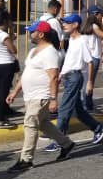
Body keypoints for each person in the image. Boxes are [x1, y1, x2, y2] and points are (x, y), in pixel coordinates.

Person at [5, 21, 76, 171]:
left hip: (41, 95)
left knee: (30, 125)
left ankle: (26, 159)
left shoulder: (50, 52)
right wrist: (15, 91)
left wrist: (53, 99)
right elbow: (26, 73)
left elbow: (53, 77)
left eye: (32, 31)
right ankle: (66, 144)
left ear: (41, 34)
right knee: (43, 124)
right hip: (30, 96)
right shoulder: (33, 51)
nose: (29, 33)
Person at [45, 13, 103, 150]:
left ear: (75, 25)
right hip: (69, 77)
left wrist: (90, 82)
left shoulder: (81, 41)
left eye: (67, 23)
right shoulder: (72, 40)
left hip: (75, 77)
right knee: (77, 110)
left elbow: (90, 62)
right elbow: (69, 61)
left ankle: (59, 140)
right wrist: (62, 74)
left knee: (64, 109)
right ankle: (98, 128)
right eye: (63, 22)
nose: (64, 25)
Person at [82, 4, 103, 110]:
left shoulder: (87, 26)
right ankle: (87, 105)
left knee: (88, 82)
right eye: (100, 14)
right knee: (89, 82)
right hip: (93, 58)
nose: (102, 15)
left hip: (90, 57)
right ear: (95, 15)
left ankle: (88, 104)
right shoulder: (94, 27)